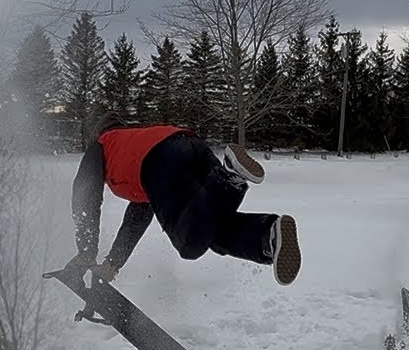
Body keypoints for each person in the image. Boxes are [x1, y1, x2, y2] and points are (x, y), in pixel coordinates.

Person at [65, 114, 301, 286]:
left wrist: (86, 252)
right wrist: (113, 263)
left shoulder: (102, 144)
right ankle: (267, 236)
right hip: (192, 146)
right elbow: (136, 218)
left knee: (189, 243)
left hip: (162, 159)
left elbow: (84, 197)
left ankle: (229, 177)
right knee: (208, 227)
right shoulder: (132, 144)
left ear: (99, 133)